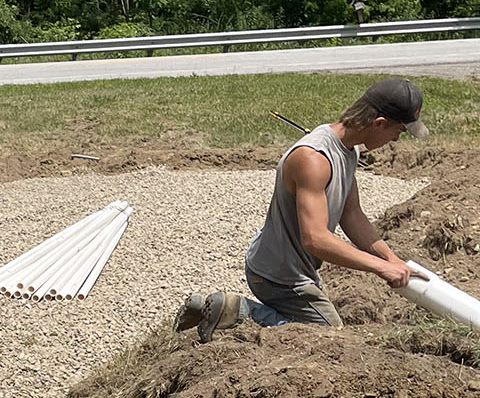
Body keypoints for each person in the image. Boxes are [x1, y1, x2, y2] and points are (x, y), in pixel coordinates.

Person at [174, 76, 427, 342]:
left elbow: (351, 214)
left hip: (290, 269)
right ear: (379, 123)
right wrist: (379, 267)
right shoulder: (313, 159)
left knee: (320, 332)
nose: (397, 139)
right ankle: (237, 312)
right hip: (278, 276)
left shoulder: (348, 150)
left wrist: (391, 259)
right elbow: (315, 238)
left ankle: (206, 310)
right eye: (398, 131)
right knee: (327, 338)